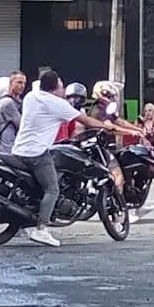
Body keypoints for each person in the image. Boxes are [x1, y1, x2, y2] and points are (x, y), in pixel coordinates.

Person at [12, 70, 114, 247]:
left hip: (18, 150)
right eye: (61, 85)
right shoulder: (57, 104)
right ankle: (41, 229)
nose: (63, 88)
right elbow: (87, 121)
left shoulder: (30, 96)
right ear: (54, 88)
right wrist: (105, 126)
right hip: (37, 154)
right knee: (52, 189)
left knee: (42, 184)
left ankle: (30, 215)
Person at [0, 71, 27, 153]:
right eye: (19, 82)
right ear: (10, 83)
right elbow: (21, 125)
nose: (22, 86)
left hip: (14, 146)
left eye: (24, 83)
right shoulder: (7, 102)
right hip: (7, 148)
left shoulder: (18, 102)